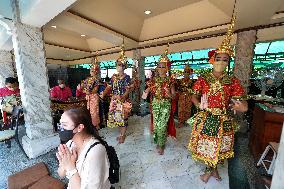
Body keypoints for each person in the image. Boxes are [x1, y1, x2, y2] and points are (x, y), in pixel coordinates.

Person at [188, 15, 248, 183]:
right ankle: (209, 171)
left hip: (224, 118)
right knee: (208, 146)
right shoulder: (204, 77)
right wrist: (199, 104)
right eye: (219, 58)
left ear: (229, 62)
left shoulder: (232, 81)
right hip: (207, 116)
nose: (221, 62)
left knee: (221, 147)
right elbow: (194, 96)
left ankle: (213, 170)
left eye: (225, 59)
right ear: (212, 60)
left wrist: (240, 106)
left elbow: (242, 104)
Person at [56, 107, 111, 189]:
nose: (61, 128)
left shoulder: (95, 151)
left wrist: (70, 167)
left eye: (64, 125)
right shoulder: (70, 144)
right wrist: (65, 164)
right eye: (60, 124)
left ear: (79, 127)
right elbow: (61, 174)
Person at [143, 45, 176, 155]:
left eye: (164, 67)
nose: (161, 69)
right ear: (157, 68)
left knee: (162, 125)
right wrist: (146, 92)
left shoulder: (170, 80)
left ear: (167, 68)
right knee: (156, 125)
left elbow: (174, 95)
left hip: (166, 104)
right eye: (160, 66)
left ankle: (161, 144)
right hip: (155, 104)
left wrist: (169, 95)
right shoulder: (153, 80)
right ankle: (159, 140)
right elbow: (147, 91)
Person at [101, 44, 132, 144]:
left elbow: (128, 89)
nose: (117, 66)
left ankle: (123, 135)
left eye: (119, 64)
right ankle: (121, 134)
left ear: (124, 66)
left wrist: (123, 96)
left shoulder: (127, 77)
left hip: (123, 100)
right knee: (118, 118)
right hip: (114, 100)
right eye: (117, 64)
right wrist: (103, 94)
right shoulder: (114, 76)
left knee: (124, 118)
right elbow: (109, 86)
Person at [80, 57, 101, 129]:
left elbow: (96, 90)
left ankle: (96, 125)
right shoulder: (87, 79)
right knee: (88, 111)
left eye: (92, 70)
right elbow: (83, 88)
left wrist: (89, 92)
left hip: (94, 97)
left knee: (94, 111)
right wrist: (82, 88)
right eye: (91, 70)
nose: (91, 72)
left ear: (96, 71)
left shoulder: (96, 80)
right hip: (88, 97)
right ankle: (91, 124)